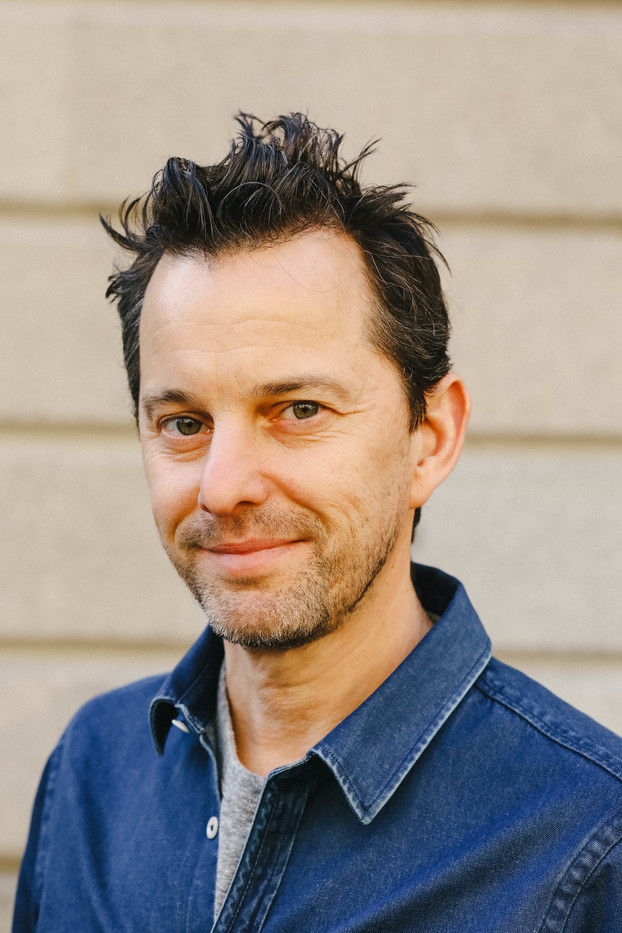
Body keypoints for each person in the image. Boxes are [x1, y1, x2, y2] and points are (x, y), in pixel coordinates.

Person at [13, 113, 622, 933]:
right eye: (184, 423)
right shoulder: (93, 772)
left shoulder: (588, 845)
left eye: (298, 409)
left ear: (431, 437)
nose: (223, 487)